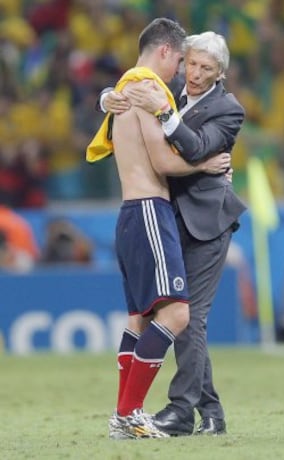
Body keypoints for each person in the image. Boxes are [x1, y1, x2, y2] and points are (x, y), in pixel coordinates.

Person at [88, 18, 232, 440]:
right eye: (183, 62)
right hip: (151, 210)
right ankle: (132, 413)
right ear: (167, 52)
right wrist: (206, 164)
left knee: (139, 319)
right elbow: (164, 162)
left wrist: (105, 98)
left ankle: (122, 416)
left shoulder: (127, 87)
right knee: (178, 314)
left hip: (131, 212)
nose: (185, 73)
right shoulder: (147, 86)